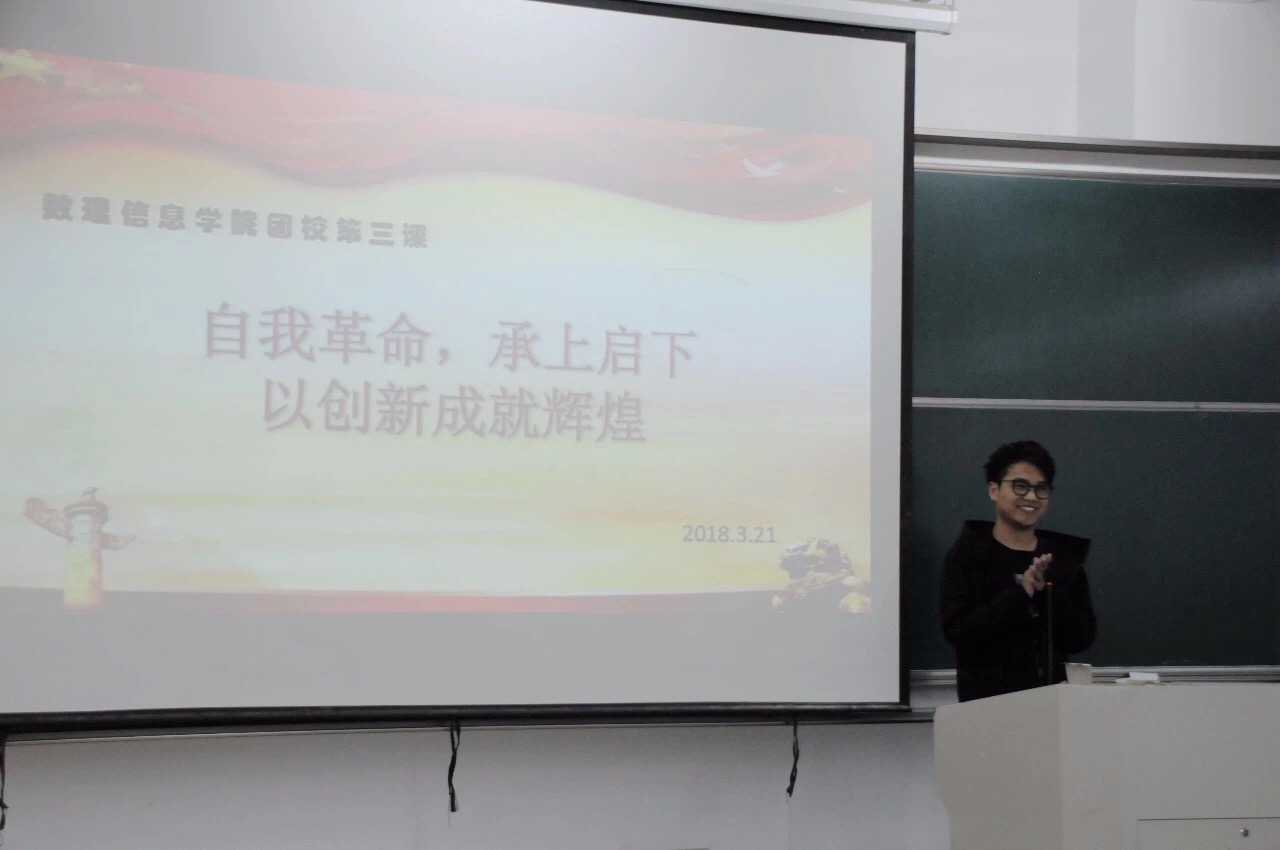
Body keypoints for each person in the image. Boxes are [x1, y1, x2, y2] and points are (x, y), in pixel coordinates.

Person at [939, 440, 1096, 702]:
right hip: (987, 708)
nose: (1031, 497)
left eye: (1041, 489)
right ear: (994, 490)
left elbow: (1082, 638)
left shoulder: (1062, 560)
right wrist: (1020, 594)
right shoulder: (967, 556)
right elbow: (959, 631)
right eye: (1020, 486)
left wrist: (1046, 594)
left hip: (1052, 707)